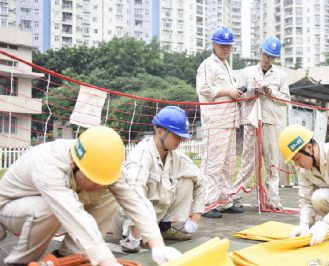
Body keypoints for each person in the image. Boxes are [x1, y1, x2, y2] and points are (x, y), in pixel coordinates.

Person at [0, 126, 181, 266]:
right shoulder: (49, 166)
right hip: (10, 207)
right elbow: (75, 216)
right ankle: (20, 261)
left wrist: (157, 245)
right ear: (74, 164)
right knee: (48, 209)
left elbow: (136, 201)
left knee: (111, 193)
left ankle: (71, 255)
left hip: (50, 203)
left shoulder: (106, 164)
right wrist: (106, 261)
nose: (98, 185)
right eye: (93, 179)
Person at [110, 106, 207, 253]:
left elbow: (202, 181)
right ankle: (134, 235)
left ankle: (164, 228)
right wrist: (135, 235)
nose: (179, 140)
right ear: (159, 131)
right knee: (138, 189)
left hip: (152, 218)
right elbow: (133, 194)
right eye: (176, 135)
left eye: (181, 137)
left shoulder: (176, 156)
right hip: (127, 220)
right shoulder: (141, 156)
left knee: (188, 181)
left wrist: (195, 219)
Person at [232, 36, 290, 210]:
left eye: (271, 57)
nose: (267, 60)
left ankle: (274, 199)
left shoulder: (280, 75)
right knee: (248, 162)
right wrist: (250, 91)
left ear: (275, 59)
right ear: (260, 53)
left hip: (271, 123)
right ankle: (235, 197)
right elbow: (238, 96)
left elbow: (285, 100)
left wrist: (270, 91)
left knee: (272, 163)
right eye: (265, 55)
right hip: (251, 122)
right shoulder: (247, 72)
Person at [196, 26, 244, 218]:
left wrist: (237, 92)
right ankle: (207, 203)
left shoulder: (226, 66)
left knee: (228, 163)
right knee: (212, 162)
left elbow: (228, 90)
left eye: (228, 46)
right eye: (222, 45)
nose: (225, 49)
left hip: (230, 120)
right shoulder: (207, 65)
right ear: (214, 44)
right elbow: (204, 89)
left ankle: (224, 200)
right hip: (215, 120)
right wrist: (228, 92)